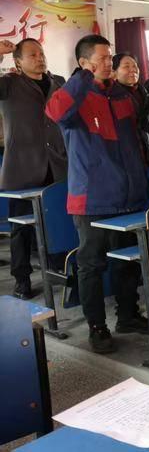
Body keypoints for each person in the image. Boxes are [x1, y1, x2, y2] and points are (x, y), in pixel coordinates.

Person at [45, 34, 148, 354]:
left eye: (110, 57)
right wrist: (83, 78)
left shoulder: (121, 94)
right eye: (101, 58)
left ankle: (128, 315)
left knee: (126, 262)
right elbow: (55, 113)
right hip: (92, 199)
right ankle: (97, 326)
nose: (108, 63)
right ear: (84, 63)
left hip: (128, 195)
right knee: (91, 265)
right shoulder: (73, 96)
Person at [0, 38, 67, 299]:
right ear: (18, 61)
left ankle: (60, 268)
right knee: (21, 229)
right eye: (32, 55)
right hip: (22, 168)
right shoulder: (9, 84)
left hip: (57, 165)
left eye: (41, 53)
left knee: (57, 220)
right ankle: (22, 279)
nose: (40, 58)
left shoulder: (58, 82)